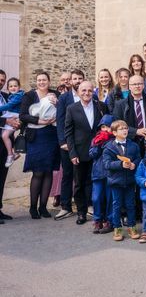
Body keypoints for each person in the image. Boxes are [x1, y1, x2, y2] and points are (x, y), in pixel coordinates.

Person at [64, 80, 108, 225]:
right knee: (79, 184)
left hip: (98, 151)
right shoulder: (71, 108)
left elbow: (105, 127)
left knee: (96, 182)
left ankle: (96, 211)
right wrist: (72, 153)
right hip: (79, 152)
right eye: (83, 90)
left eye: (89, 90)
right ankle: (81, 213)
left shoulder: (101, 106)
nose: (87, 93)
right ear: (78, 92)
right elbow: (68, 133)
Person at [19, 72, 60, 219]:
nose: (42, 82)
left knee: (48, 171)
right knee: (38, 172)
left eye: (44, 80)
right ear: (36, 82)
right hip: (36, 137)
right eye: (39, 80)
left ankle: (43, 207)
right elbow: (22, 115)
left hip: (51, 136)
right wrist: (39, 121)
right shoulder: (29, 96)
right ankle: (32, 207)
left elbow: (62, 111)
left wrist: (57, 103)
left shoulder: (56, 94)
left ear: (49, 81)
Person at [103, 119, 142, 241]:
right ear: (114, 132)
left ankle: (132, 226)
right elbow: (107, 164)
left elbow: (138, 158)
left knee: (131, 204)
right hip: (116, 181)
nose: (125, 130)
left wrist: (134, 165)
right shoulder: (109, 147)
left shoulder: (133, 145)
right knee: (117, 205)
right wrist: (120, 164)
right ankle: (117, 228)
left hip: (130, 180)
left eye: (126, 128)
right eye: (121, 129)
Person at [56, 68, 85, 220]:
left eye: (80, 78)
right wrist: (63, 142)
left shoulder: (88, 95)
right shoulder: (64, 98)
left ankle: (85, 205)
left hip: (82, 143)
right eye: (75, 79)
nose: (77, 81)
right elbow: (60, 121)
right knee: (67, 174)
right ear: (71, 81)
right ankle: (65, 206)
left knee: (82, 176)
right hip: (67, 143)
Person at [112, 74, 146, 155]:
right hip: (129, 143)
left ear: (143, 85)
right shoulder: (120, 105)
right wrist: (136, 131)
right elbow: (117, 124)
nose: (137, 86)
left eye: (140, 84)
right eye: (134, 84)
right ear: (129, 87)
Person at [88, 114, 114, 234]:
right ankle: (97, 219)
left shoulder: (115, 140)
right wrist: (98, 145)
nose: (105, 130)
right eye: (103, 127)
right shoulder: (96, 139)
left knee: (110, 198)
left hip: (111, 174)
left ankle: (109, 220)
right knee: (96, 197)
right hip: (98, 173)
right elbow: (92, 154)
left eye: (108, 127)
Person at [0, 70, 20, 222]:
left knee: (2, 178)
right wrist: (5, 122)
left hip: (4, 145)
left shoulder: (6, 96)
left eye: (2, 80)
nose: (1, 82)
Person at [0, 77, 24, 167]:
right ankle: (14, 152)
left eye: (15, 86)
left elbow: (9, 106)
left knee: (4, 135)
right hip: (10, 116)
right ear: (8, 87)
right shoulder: (11, 96)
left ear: (19, 87)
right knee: (4, 134)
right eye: (11, 86)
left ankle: (11, 154)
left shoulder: (14, 96)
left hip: (13, 116)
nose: (13, 88)